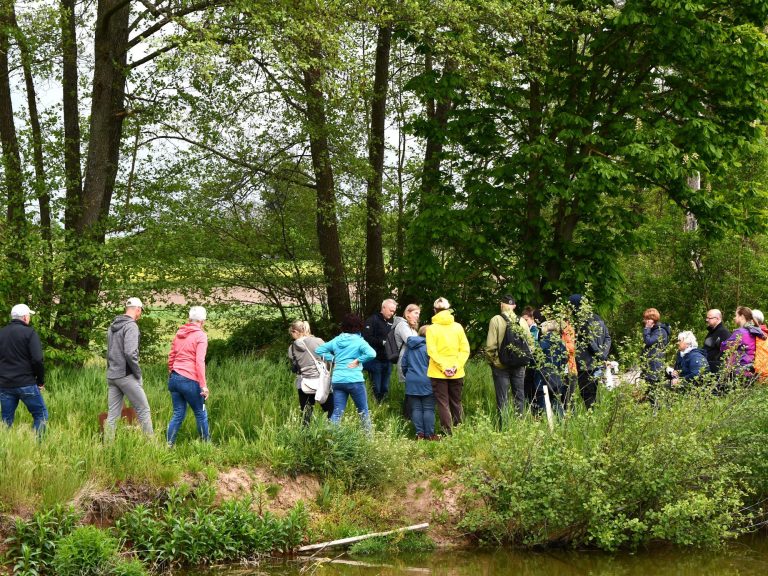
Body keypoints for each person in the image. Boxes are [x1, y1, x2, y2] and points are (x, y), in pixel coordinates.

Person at [316, 313, 376, 428]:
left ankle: (332, 438)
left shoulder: (337, 340)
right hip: (355, 380)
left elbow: (319, 350)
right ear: (358, 326)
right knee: (363, 412)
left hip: (338, 380)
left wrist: (332, 359)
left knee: (337, 413)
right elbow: (372, 353)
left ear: (343, 326)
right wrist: (358, 360)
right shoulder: (359, 341)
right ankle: (368, 440)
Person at [106, 297, 153, 436]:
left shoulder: (112, 326)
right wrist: (137, 374)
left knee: (113, 415)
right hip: (126, 375)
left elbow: (109, 351)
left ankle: (108, 447)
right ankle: (152, 446)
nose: (140, 314)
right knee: (143, 410)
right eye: (141, 311)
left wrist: (110, 370)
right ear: (138, 309)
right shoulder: (131, 326)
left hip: (112, 375)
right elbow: (130, 353)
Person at [0, 304, 48, 435]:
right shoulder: (30, 333)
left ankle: (5, 447)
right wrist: (40, 381)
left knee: (6, 419)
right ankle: (37, 445)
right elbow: (37, 359)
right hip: (26, 383)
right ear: (25, 317)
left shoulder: (1, 333)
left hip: (5, 385)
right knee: (40, 414)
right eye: (29, 316)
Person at [167, 306, 210, 445]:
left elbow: (172, 355)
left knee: (178, 414)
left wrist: (172, 373)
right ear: (202, 321)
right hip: (189, 380)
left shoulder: (179, 333)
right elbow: (199, 362)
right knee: (200, 413)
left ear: (189, 319)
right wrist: (203, 386)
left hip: (174, 378)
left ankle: (169, 445)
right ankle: (206, 445)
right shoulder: (201, 336)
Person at [427, 297, 470, 434]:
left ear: (435, 310)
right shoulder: (458, 327)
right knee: (456, 402)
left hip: (438, 373)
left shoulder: (432, 329)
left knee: (443, 403)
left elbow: (432, 352)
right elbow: (465, 350)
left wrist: (443, 368)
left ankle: (448, 433)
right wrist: (455, 366)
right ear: (448, 309)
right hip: (457, 372)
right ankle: (459, 430)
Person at [485, 294, 530, 420]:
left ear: (501, 305)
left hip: (501, 365)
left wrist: (494, 362)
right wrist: (523, 359)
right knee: (519, 397)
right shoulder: (522, 321)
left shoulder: (496, 320)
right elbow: (530, 343)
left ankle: (504, 425)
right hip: (519, 365)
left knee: (502, 398)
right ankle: (519, 425)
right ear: (514, 306)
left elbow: (490, 346)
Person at [568, 294, 611, 409]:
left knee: (586, 393)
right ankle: (594, 415)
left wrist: (600, 355)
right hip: (597, 362)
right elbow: (607, 338)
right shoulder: (598, 318)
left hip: (585, 363)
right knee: (593, 391)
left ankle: (590, 417)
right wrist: (604, 355)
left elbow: (589, 341)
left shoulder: (581, 321)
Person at [288, 319, 333, 425]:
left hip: (304, 384)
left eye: (291, 333)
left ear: (295, 332)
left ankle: (306, 438)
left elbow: (294, 364)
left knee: (306, 415)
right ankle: (332, 434)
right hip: (321, 382)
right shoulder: (318, 341)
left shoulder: (291, 348)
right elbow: (328, 358)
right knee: (331, 410)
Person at [401, 326, 436, 439]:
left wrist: (409, 375)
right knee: (428, 408)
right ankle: (430, 434)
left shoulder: (409, 347)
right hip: (427, 380)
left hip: (411, 381)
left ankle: (419, 434)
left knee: (416, 409)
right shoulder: (430, 347)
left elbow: (404, 365)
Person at [362, 298, 398, 402]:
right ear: (383, 308)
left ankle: (384, 406)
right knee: (376, 387)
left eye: (394, 311)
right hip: (375, 359)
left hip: (388, 359)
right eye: (391, 310)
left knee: (385, 387)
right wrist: (382, 342)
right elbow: (366, 337)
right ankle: (375, 406)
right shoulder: (372, 320)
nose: (392, 313)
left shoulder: (393, 322)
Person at [535, 320, 568, 416]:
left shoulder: (542, 343)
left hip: (542, 378)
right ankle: (561, 425)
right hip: (557, 378)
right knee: (557, 404)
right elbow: (564, 360)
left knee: (543, 405)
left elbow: (535, 361)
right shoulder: (561, 344)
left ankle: (546, 426)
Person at [720, 306, 766, 376]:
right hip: (753, 371)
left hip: (740, 371)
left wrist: (720, 343)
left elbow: (725, 347)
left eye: (736, 315)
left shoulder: (741, 332)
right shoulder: (756, 331)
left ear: (741, 316)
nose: (734, 318)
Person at [642, 308, 670, 385]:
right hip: (651, 363)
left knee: (653, 387)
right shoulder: (653, 330)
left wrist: (647, 328)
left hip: (655, 365)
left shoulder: (660, 331)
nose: (644, 321)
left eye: (646, 319)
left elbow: (648, 342)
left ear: (651, 320)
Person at [703, 309, 730, 374]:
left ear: (717, 318)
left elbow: (726, 354)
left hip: (715, 371)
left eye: (710, 318)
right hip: (706, 368)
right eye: (707, 318)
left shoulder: (724, 333)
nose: (707, 320)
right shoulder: (711, 332)